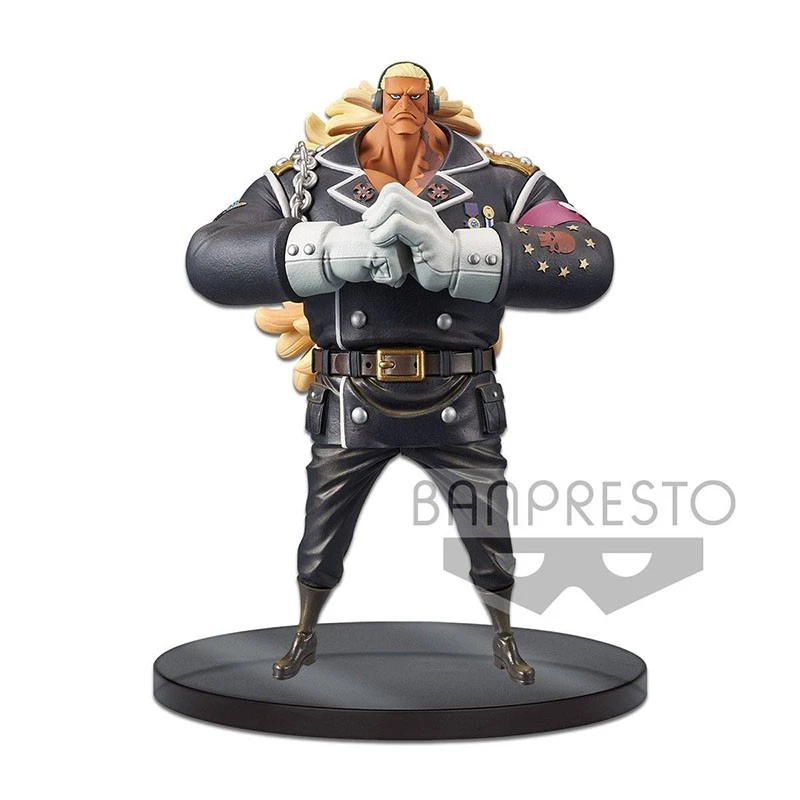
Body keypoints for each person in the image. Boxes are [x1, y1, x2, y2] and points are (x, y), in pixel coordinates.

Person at [186, 62, 613, 685]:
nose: (405, 108)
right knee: (321, 535)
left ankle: (504, 638)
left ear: (431, 103)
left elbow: (589, 254)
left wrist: (465, 255)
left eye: (416, 97)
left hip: (459, 392)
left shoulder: (502, 181)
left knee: (489, 532)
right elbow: (209, 253)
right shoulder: (306, 179)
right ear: (380, 103)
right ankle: (304, 634)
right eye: (395, 97)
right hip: (351, 392)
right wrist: (330, 250)